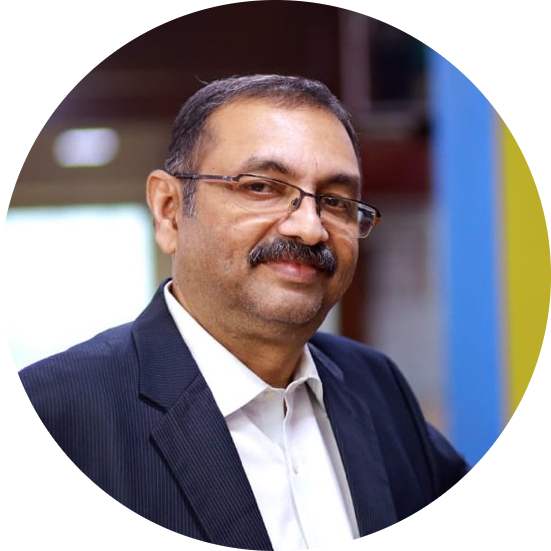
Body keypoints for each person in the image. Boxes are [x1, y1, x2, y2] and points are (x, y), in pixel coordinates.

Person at [18, 74, 469, 549]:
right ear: (169, 211)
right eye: (261, 187)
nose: (309, 228)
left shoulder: (375, 385)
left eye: (335, 201)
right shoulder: (60, 411)